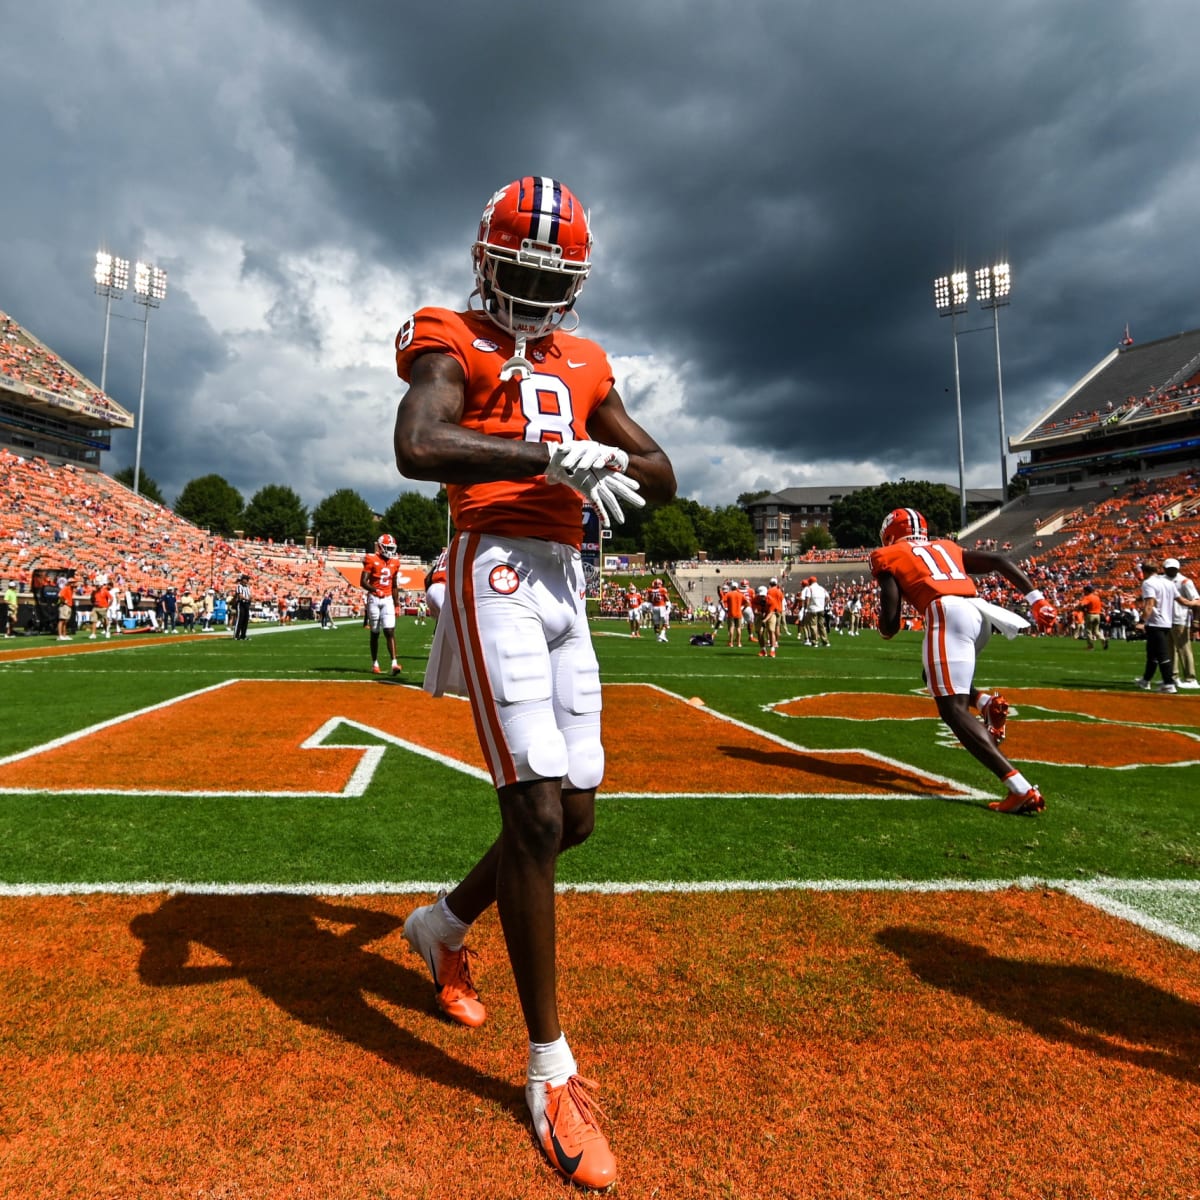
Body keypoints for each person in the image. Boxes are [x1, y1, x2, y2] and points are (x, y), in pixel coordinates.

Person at [392, 175, 676, 1190]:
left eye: (549, 276)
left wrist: (609, 452)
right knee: (539, 817)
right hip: (496, 567)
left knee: (577, 816)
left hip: (570, 581)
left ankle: (440, 926)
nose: (530, 290)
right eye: (517, 268)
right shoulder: (448, 335)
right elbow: (419, 442)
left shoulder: (590, 359)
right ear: (484, 259)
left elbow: (664, 473)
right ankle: (550, 1071)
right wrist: (545, 452)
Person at [869, 507, 1057, 815]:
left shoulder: (887, 554)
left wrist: (886, 628)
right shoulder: (946, 546)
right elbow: (999, 560)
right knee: (932, 678)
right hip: (980, 614)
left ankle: (1021, 789)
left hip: (946, 613)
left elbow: (890, 619)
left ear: (890, 534)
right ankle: (985, 704)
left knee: (952, 710)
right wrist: (1037, 601)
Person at [1135, 559, 1196, 693]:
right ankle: (1145, 680)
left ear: (1144, 571)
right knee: (1152, 653)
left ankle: (1169, 683)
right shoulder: (1168, 583)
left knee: (1162, 654)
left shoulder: (1148, 583)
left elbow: (1149, 604)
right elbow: (1182, 600)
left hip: (1155, 622)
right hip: (1167, 622)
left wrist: (1141, 622)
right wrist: (1195, 603)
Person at [360, 533, 402, 675]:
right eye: (387, 547)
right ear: (380, 546)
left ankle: (394, 663)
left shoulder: (395, 562)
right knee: (375, 633)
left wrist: (397, 604)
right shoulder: (371, 559)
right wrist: (375, 590)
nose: (390, 550)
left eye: (391, 547)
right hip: (374, 598)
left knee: (389, 631)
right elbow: (363, 582)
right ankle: (375, 662)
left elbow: (395, 585)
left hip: (388, 599)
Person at [1163, 557, 1199, 688]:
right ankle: (1173, 677)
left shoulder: (1185, 582)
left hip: (1180, 619)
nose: (1171, 570)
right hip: (1165, 620)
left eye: (1173, 568)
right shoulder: (1162, 580)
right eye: (1169, 568)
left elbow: (1197, 601)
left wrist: (1196, 620)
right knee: (1169, 651)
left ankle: (1191, 678)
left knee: (1184, 649)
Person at [1075, 584, 1107, 650]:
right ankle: (1103, 639)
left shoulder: (1087, 597)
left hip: (1090, 615)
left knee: (1088, 631)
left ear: (1087, 591)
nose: (1083, 592)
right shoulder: (1097, 597)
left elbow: (1082, 604)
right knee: (1096, 631)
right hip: (1098, 615)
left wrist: (1079, 608)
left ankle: (1090, 646)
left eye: (1084, 591)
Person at [232, 574, 252, 640]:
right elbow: (240, 595)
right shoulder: (239, 586)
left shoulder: (247, 587)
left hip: (246, 604)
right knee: (239, 620)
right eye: (245, 579)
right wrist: (247, 599)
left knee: (245, 620)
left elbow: (249, 595)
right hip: (241, 604)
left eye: (247, 580)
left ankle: (243, 635)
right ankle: (236, 635)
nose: (246, 581)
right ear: (242, 580)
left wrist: (250, 599)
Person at [56, 576, 75, 640]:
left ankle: (64, 635)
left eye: (73, 582)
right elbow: (60, 595)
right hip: (65, 606)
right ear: (69, 583)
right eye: (72, 582)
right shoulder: (66, 588)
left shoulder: (70, 589)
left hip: (68, 606)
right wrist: (64, 601)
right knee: (62, 620)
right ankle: (60, 635)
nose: (73, 583)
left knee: (65, 621)